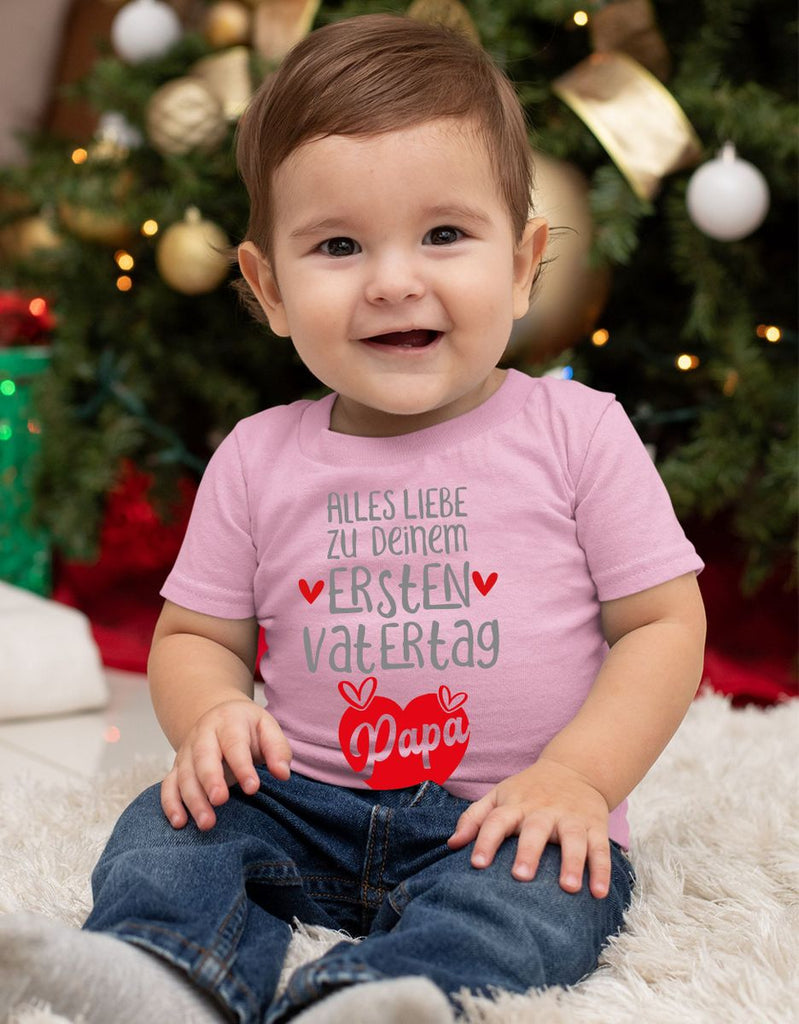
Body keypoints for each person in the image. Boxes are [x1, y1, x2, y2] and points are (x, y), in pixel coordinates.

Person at [0, 13, 706, 1024]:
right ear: (268, 286)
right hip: (298, 800)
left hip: (500, 818)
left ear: (521, 261)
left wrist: (576, 779)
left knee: (548, 899)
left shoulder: (577, 431)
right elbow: (197, 636)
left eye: (445, 234)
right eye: (336, 244)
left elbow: (662, 625)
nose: (391, 279)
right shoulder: (257, 456)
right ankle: (166, 970)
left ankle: (371, 999)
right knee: (166, 829)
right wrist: (212, 720)